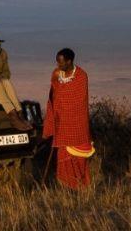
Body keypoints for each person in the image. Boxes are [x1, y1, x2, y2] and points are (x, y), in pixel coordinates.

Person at [43, 47, 93, 189]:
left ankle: (81, 186)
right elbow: (53, 96)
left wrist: (61, 102)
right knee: (62, 157)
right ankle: (68, 187)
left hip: (77, 125)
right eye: (57, 63)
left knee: (79, 159)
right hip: (62, 124)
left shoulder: (81, 76)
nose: (59, 66)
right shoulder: (56, 74)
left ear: (70, 61)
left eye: (61, 63)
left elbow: (77, 100)